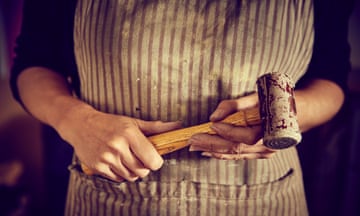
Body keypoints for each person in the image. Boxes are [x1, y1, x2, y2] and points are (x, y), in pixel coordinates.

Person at [10, 0, 353, 215]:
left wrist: (291, 114)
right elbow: (34, 63)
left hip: (263, 199)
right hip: (111, 201)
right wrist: (75, 120)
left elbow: (331, 78)